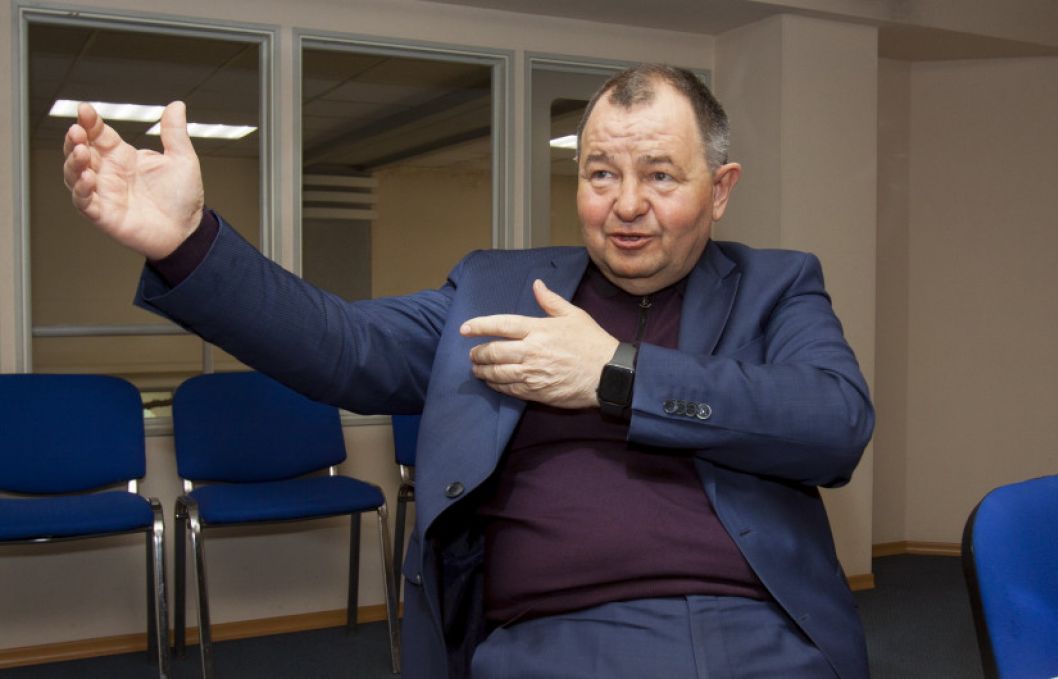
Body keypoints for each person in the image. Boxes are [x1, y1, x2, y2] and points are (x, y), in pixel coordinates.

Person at [63, 64, 874, 679]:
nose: (626, 204)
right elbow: (343, 345)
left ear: (720, 190)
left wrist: (616, 374)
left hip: (749, 635)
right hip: (542, 641)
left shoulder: (776, 287)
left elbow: (835, 422)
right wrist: (188, 243)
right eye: (601, 173)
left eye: (660, 175)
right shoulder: (495, 291)